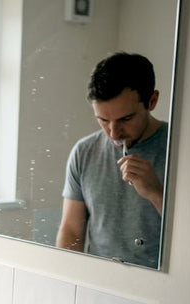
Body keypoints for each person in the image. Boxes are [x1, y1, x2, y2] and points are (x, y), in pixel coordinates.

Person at [56, 52, 168, 268]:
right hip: (101, 285)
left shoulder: (182, 149)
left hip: (161, 288)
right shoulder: (84, 152)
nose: (114, 133)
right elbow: (71, 231)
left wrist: (155, 192)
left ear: (152, 101)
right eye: (103, 120)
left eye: (125, 119)